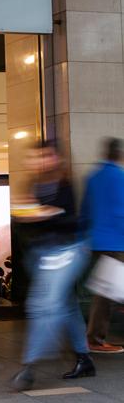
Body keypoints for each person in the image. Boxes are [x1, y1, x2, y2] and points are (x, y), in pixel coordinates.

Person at [10, 142, 95, 392]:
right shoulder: (32, 186)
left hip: (68, 252)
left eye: (46, 156)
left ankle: (29, 367)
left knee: (43, 306)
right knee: (66, 306)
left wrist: (45, 213)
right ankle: (84, 358)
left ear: (56, 158)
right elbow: (27, 222)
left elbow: (69, 219)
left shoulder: (65, 185)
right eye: (37, 157)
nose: (41, 161)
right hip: (43, 256)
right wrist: (27, 213)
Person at [81, 137, 124, 353]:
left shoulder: (93, 177)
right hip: (117, 242)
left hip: (96, 241)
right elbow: (121, 212)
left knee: (108, 290)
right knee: (107, 293)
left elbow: (85, 210)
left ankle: (95, 338)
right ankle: (95, 340)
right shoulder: (120, 176)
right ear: (119, 155)